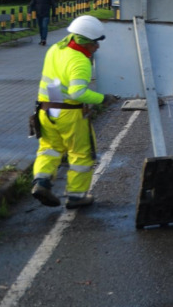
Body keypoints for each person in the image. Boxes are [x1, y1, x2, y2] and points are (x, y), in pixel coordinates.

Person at [31, 15, 119, 209]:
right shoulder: (79, 61)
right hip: (69, 114)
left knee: (49, 149)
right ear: (85, 41)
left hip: (46, 110)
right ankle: (77, 196)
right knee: (81, 153)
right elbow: (77, 93)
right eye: (95, 43)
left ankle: (41, 182)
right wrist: (103, 98)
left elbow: (55, 83)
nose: (97, 47)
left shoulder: (56, 49)